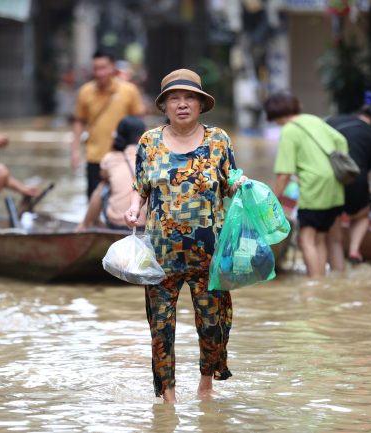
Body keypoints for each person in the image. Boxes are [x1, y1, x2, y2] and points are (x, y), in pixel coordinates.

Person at [125, 69, 246, 404]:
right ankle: (168, 398)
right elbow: (140, 188)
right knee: (160, 328)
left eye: (189, 97)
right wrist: (133, 208)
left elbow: (231, 181)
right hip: (160, 257)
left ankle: (206, 385)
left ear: (200, 104)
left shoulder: (219, 140)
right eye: (174, 98)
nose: (182, 104)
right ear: (164, 105)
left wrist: (237, 184)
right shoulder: (148, 142)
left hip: (209, 256)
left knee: (212, 325)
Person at [266, 89, 347, 277]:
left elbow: (284, 174)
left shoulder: (289, 130)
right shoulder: (314, 120)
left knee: (306, 240)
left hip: (314, 187)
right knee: (319, 239)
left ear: (274, 111)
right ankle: (322, 283)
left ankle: (314, 286)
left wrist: (271, 203)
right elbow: (341, 141)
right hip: (335, 183)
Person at [327, 91, 371, 263]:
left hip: (327, 181)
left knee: (333, 237)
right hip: (355, 183)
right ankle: (354, 251)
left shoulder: (333, 121)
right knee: (361, 215)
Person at [72, 47, 146, 199]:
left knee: (123, 199)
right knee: (94, 199)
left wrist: (143, 153)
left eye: (103, 68)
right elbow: (79, 121)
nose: (99, 73)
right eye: (96, 68)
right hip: (94, 156)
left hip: (122, 157)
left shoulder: (129, 90)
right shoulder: (85, 92)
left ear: (113, 67)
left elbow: (140, 122)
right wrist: (75, 151)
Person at [75, 116, 147, 231]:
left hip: (117, 223)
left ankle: (84, 225)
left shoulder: (110, 158)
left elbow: (103, 176)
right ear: (140, 136)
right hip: (146, 224)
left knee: (103, 186)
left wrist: (114, 145)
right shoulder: (150, 157)